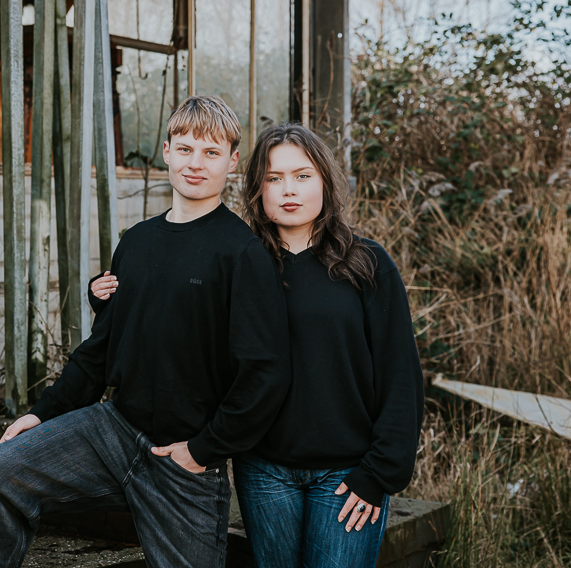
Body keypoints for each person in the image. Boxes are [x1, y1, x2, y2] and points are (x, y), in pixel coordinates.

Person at [0, 96, 291, 568]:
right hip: (114, 429)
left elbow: (265, 374)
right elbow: (101, 348)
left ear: (232, 162)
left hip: (184, 460)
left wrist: (203, 450)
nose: (196, 163)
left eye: (211, 152)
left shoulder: (242, 254)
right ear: (166, 151)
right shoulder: (136, 242)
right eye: (186, 148)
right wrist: (45, 412)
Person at [90, 123, 424, 568]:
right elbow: (180, 336)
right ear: (256, 189)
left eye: (302, 176)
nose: (289, 190)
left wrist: (380, 473)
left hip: (348, 474)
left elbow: (401, 374)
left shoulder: (366, 264)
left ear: (324, 180)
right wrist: (111, 303)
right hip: (265, 470)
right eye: (273, 178)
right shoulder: (241, 261)